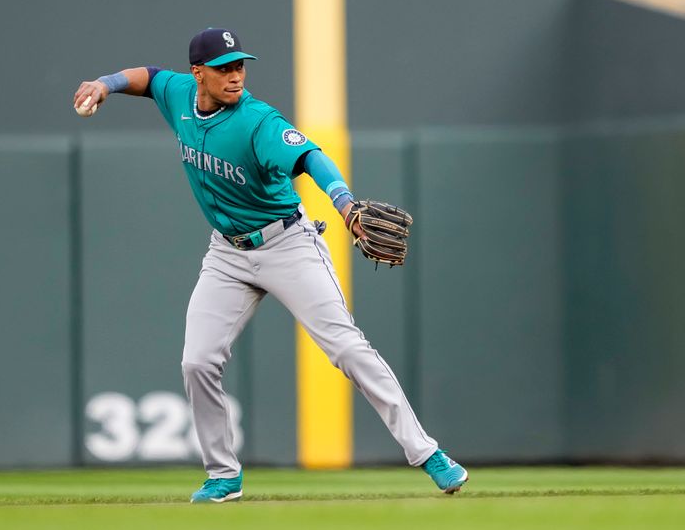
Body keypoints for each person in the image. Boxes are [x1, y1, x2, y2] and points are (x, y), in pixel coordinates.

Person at [74, 27, 468, 503]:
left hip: (287, 246)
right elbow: (149, 76)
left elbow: (310, 156)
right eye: (224, 68)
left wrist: (344, 205)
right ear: (198, 73)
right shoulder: (178, 92)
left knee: (346, 347)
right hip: (227, 254)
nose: (236, 75)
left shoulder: (257, 121)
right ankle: (223, 475)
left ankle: (429, 455)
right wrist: (105, 83)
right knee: (197, 361)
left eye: (240, 65)